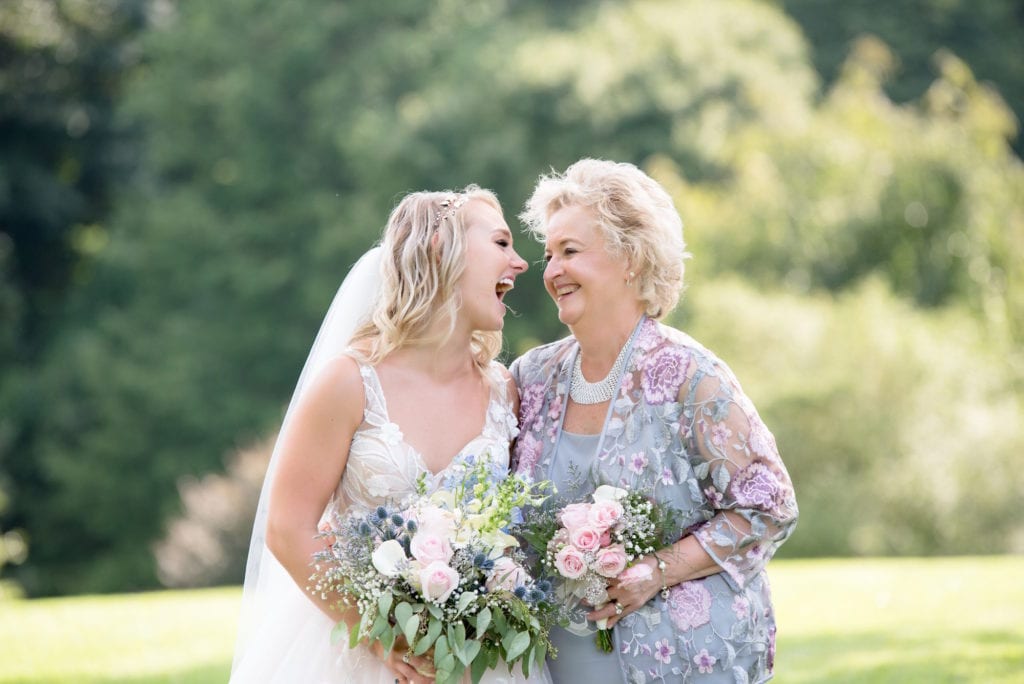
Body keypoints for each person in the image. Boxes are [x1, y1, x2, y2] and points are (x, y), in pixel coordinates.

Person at [230, 186, 543, 683]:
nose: (521, 262)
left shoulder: (505, 391)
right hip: (353, 656)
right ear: (442, 247)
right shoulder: (349, 381)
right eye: (502, 243)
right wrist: (380, 637)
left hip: (476, 661)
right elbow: (288, 527)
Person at [510, 159, 798, 682]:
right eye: (548, 254)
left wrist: (656, 571)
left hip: (683, 661)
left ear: (631, 259)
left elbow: (767, 505)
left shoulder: (690, 375)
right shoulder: (531, 378)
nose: (551, 271)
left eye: (570, 251)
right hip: (556, 667)